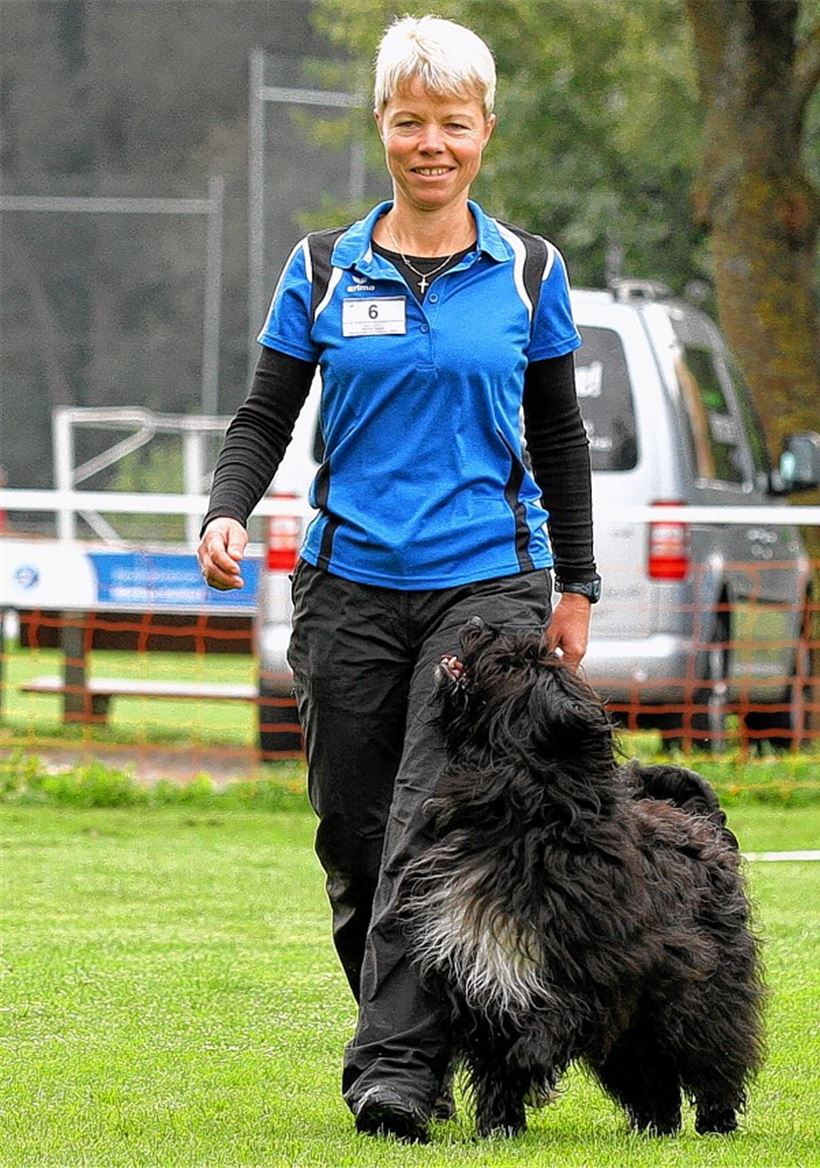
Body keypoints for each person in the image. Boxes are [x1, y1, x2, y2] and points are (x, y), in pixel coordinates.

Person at [196, 15, 599, 1144]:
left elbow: (558, 436)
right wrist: (226, 508)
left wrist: (577, 584)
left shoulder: (530, 271)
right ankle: (422, 1031)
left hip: (488, 582)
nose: (432, 144)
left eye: (453, 124)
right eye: (411, 121)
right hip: (349, 584)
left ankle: (394, 1072)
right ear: (381, 124)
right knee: (355, 834)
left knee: (428, 817)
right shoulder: (323, 267)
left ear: (486, 130)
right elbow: (265, 416)